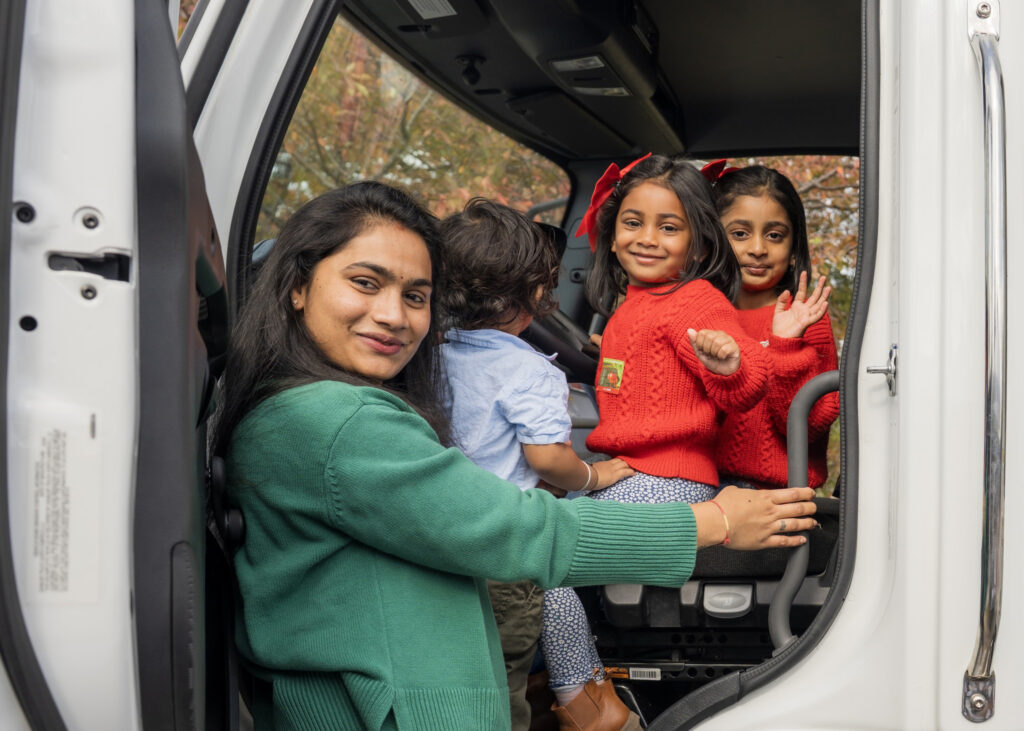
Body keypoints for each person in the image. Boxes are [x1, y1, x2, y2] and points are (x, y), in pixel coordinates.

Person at [214, 180, 819, 731]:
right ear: (297, 286)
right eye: (365, 283)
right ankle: (585, 695)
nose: (394, 316)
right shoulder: (338, 422)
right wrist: (716, 522)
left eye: (417, 295)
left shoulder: (316, 407)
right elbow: (518, 530)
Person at [539, 153, 776, 726]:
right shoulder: (631, 304)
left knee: (535, 560)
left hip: (669, 482)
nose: (647, 238)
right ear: (612, 233)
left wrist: (726, 365)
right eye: (633, 222)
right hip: (632, 473)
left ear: (696, 243)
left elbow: (745, 385)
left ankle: (585, 700)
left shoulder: (695, 300)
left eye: (668, 227)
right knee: (530, 521)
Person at [436, 198, 635, 730]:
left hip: (440, 545)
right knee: (503, 682)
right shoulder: (530, 371)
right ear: (534, 294)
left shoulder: (428, 356)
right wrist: (595, 474)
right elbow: (547, 458)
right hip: (505, 554)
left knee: (452, 676)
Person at [707, 163, 840, 490]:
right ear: (713, 239)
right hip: (701, 484)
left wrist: (784, 346)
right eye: (740, 234)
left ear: (794, 250)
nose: (757, 248)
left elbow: (810, 426)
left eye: (774, 235)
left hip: (778, 492)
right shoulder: (702, 312)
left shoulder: (808, 318)